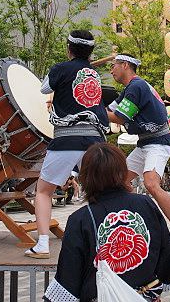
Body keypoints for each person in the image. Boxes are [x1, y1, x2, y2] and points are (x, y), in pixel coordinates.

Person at [44, 143, 170, 301]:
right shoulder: (145, 204)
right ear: (122, 171)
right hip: (145, 297)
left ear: (86, 177)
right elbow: (166, 254)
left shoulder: (80, 219)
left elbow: (69, 276)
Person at [27, 30, 108, 259]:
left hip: (67, 139)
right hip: (95, 140)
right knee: (99, 193)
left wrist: (58, 73)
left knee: (43, 191)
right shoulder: (94, 74)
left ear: (68, 48)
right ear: (90, 52)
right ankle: (102, 243)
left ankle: (42, 244)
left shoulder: (60, 68)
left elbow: (44, 88)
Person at [107, 53, 170, 244]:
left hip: (158, 143)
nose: (111, 70)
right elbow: (109, 110)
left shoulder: (136, 86)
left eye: (113, 66)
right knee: (119, 182)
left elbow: (118, 117)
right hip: (145, 144)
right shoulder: (130, 89)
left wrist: (92, 111)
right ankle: (136, 221)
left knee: (151, 184)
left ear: (125, 65)